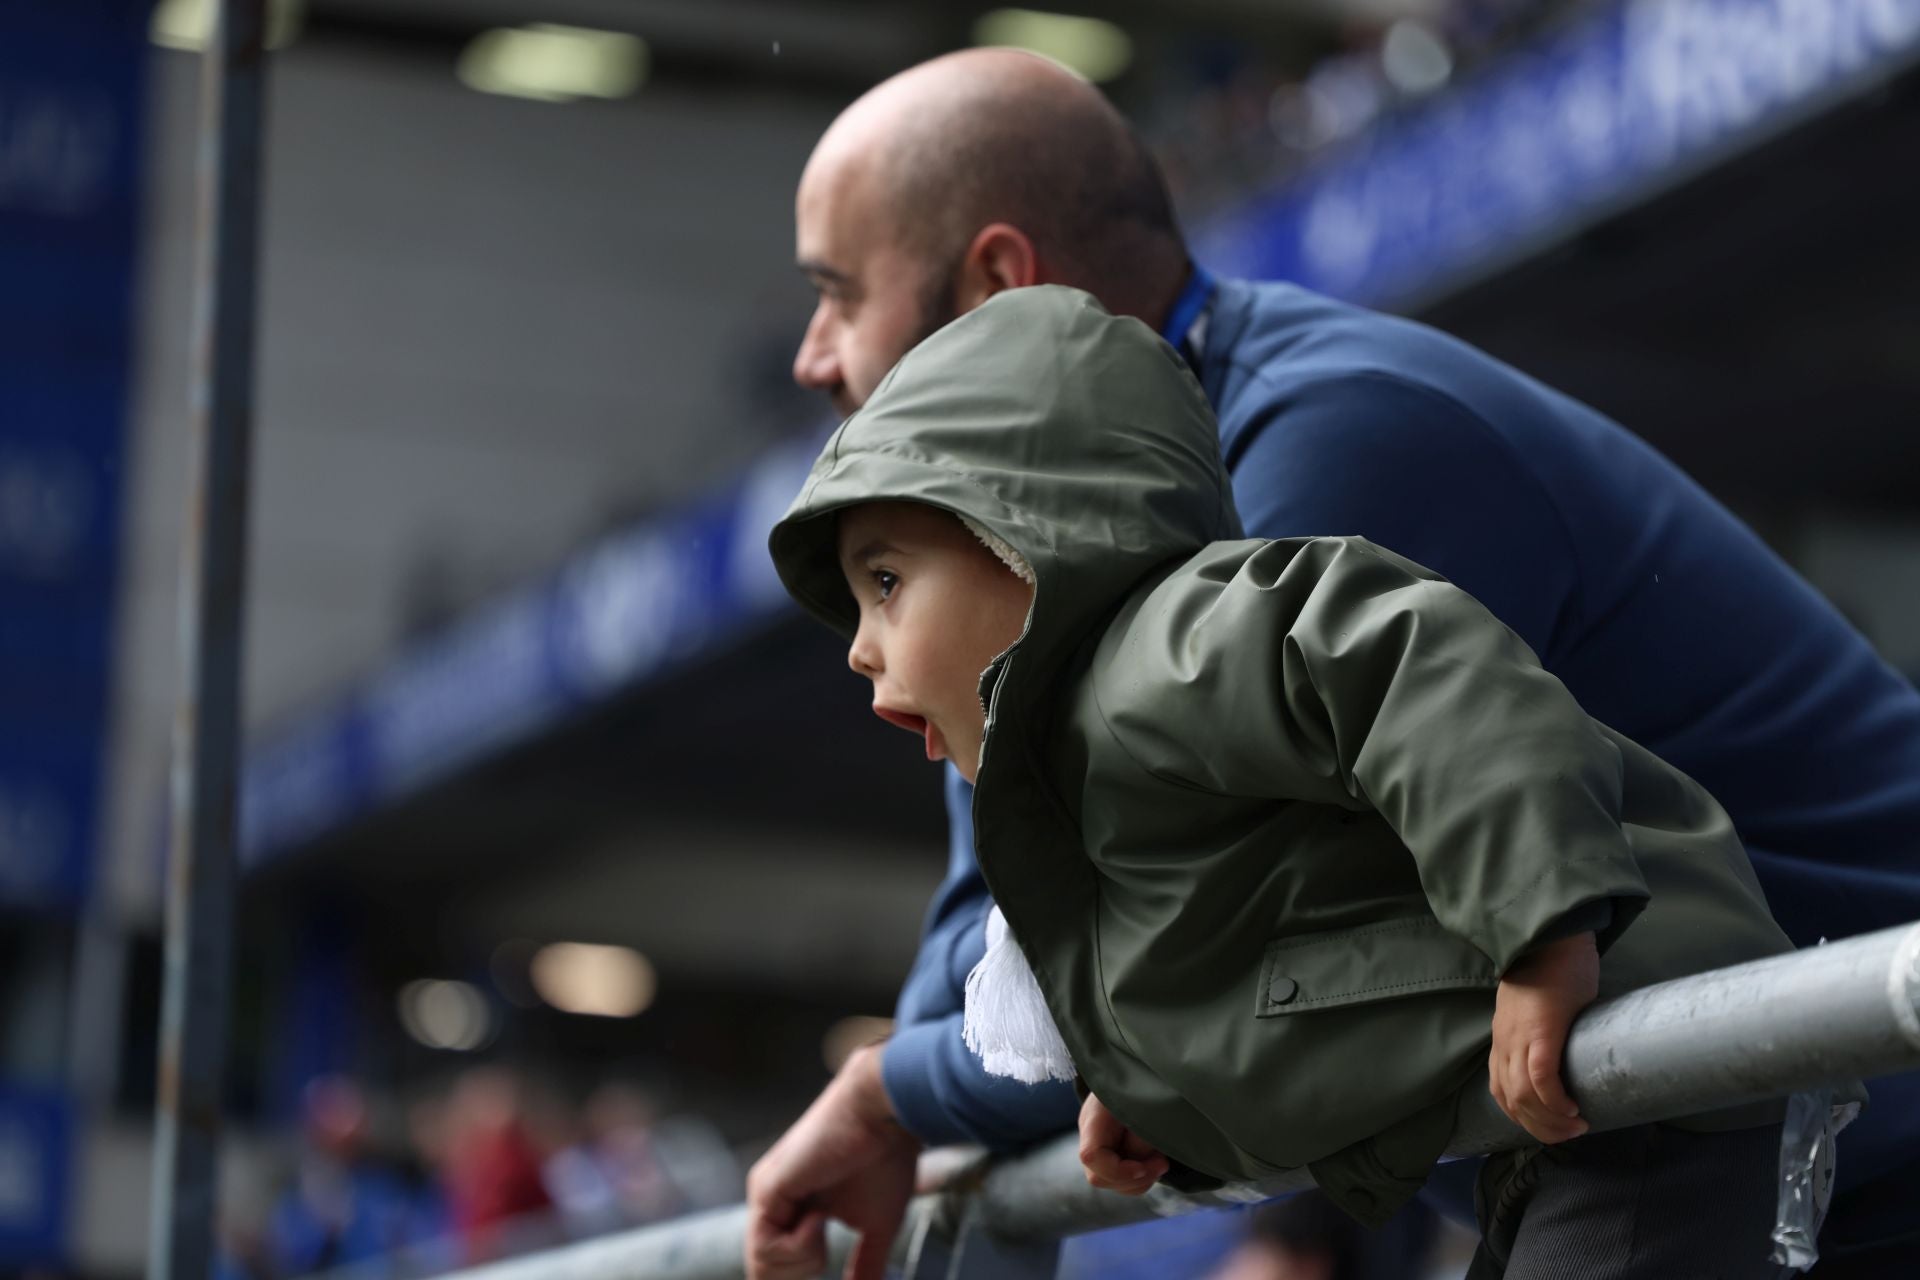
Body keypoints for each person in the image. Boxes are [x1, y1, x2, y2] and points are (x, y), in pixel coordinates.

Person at [746, 48, 1920, 1280]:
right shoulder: (1023, 586)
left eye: (837, 291)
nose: (811, 356)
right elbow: (1007, 966)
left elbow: (1118, 960)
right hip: (1652, 1128)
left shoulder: (1328, 449)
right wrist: (991, 1074)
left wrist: (894, 1092)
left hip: (1839, 1118)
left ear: (995, 285)